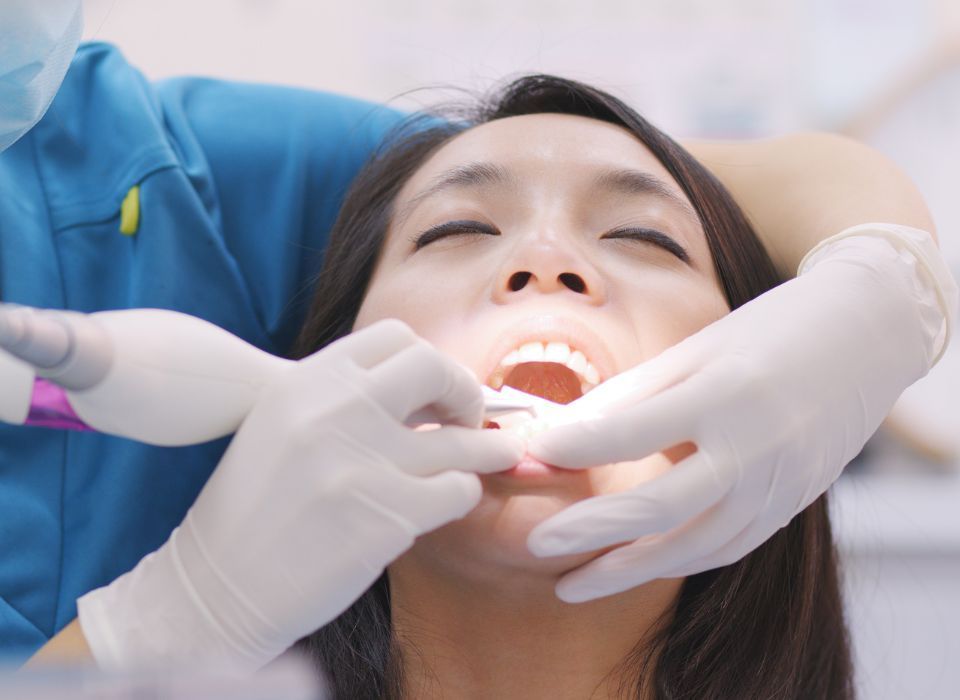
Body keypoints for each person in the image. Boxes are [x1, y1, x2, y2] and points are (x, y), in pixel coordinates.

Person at [7, 3, 955, 668]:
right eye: (457, 231)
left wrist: (884, 286)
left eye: (640, 237)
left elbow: (556, 155)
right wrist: (181, 619)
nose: (546, 257)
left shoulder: (170, 165)